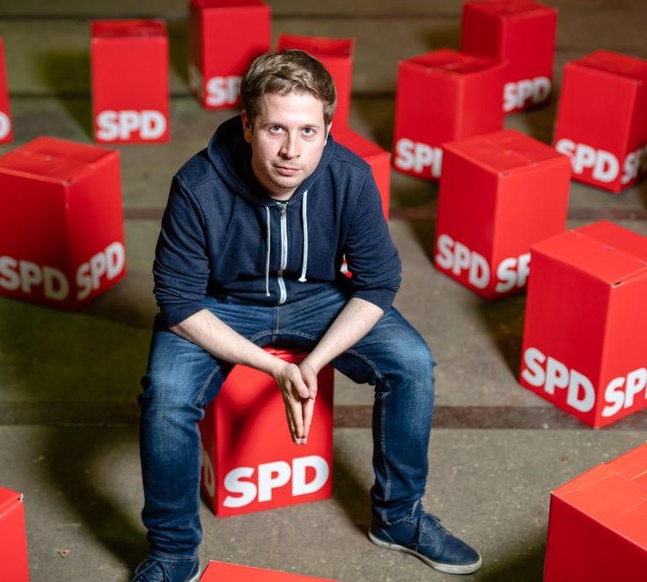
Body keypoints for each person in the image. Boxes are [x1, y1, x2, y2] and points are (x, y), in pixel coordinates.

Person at [133, 49, 482, 582]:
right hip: (219, 305)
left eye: (308, 131)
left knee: (411, 361)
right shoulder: (197, 185)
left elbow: (378, 283)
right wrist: (276, 368)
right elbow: (179, 303)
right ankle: (173, 553)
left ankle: (398, 519)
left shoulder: (349, 176)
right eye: (276, 129)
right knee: (166, 396)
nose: (292, 151)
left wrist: (314, 363)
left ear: (327, 128)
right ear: (247, 124)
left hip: (318, 297)